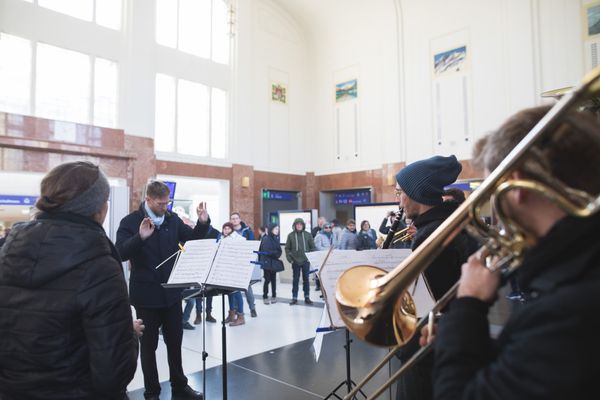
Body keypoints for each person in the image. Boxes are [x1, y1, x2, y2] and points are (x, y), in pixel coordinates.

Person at [428, 105, 600, 400]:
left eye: (491, 190)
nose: (492, 203)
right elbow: (529, 369)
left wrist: (468, 305)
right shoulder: (576, 272)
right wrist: (460, 339)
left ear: (516, 185)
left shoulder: (566, 308)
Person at [0, 161, 140, 399]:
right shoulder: (100, 265)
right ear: (99, 209)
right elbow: (113, 374)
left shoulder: (6, 251)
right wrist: (127, 334)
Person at [116, 180, 210, 400]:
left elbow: (193, 239)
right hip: (146, 296)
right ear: (148, 199)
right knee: (148, 348)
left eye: (167, 203)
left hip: (171, 294)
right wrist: (140, 238)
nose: (164, 207)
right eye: (160, 204)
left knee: (175, 342)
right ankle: (152, 393)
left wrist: (203, 223)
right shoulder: (130, 221)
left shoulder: (172, 219)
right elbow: (120, 253)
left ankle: (179, 387)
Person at [394, 154, 471, 400]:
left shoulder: (430, 236)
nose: (399, 201)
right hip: (447, 344)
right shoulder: (443, 225)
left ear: (416, 193)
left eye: (400, 193)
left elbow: (423, 306)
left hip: (426, 350)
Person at [182, 223, 220, 328]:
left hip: (209, 265)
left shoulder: (216, 233)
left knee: (210, 291)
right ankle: (198, 314)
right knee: (197, 292)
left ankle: (208, 314)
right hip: (196, 265)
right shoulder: (195, 233)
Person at [218, 222, 247, 326]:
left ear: (231, 230)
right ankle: (231, 315)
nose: (226, 230)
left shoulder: (237, 238)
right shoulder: (221, 238)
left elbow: (243, 248)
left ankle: (240, 316)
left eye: (228, 228)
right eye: (224, 228)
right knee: (229, 293)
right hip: (226, 270)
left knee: (236, 293)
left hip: (235, 270)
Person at [230, 212, 258, 318]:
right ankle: (237, 311)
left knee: (247, 287)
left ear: (239, 219)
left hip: (245, 262)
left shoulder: (247, 231)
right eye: (232, 219)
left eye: (236, 218)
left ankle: (252, 308)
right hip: (233, 263)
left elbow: (252, 244)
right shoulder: (229, 231)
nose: (234, 220)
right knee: (235, 288)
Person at [285, 217, 316, 305]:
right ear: (294, 226)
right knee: (295, 280)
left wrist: (310, 258)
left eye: (300, 224)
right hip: (295, 261)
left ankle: (307, 297)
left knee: (306, 279)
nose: (299, 226)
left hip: (305, 261)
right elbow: (287, 249)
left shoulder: (308, 235)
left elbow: (313, 247)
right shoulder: (290, 235)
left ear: (303, 225)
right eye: (297, 224)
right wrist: (290, 260)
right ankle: (294, 297)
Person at [258, 223, 284, 304]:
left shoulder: (276, 238)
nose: (277, 230)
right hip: (267, 263)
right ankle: (265, 296)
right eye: (276, 229)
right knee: (267, 280)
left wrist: (275, 253)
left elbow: (279, 251)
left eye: (278, 229)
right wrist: (275, 253)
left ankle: (274, 296)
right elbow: (266, 251)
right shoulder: (266, 239)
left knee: (273, 280)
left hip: (274, 263)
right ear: (271, 229)